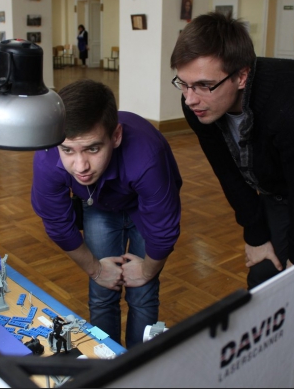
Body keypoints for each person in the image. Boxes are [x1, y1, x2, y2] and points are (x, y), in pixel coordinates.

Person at [170, 12, 294, 385]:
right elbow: (229, 173)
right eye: (184, 84)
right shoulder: (197, 105)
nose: (191, 99)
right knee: (262, 276)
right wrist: (255, 235)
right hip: (280, 184)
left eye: (204, 85)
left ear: (241, 76)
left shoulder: (290, 108)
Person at [31, 79, 182, 348]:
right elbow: (58, 225)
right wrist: (95, 269)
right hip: (97, 204)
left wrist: (146, 271)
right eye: (68, 150)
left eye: (93, 149)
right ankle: (106, 359)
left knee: (143, 294)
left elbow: (163, 230)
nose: (81, 166)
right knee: (102, 291)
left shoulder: (147, 156)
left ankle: (139, 364)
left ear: (116, 136)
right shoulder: (47, 155)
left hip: (143, 206)